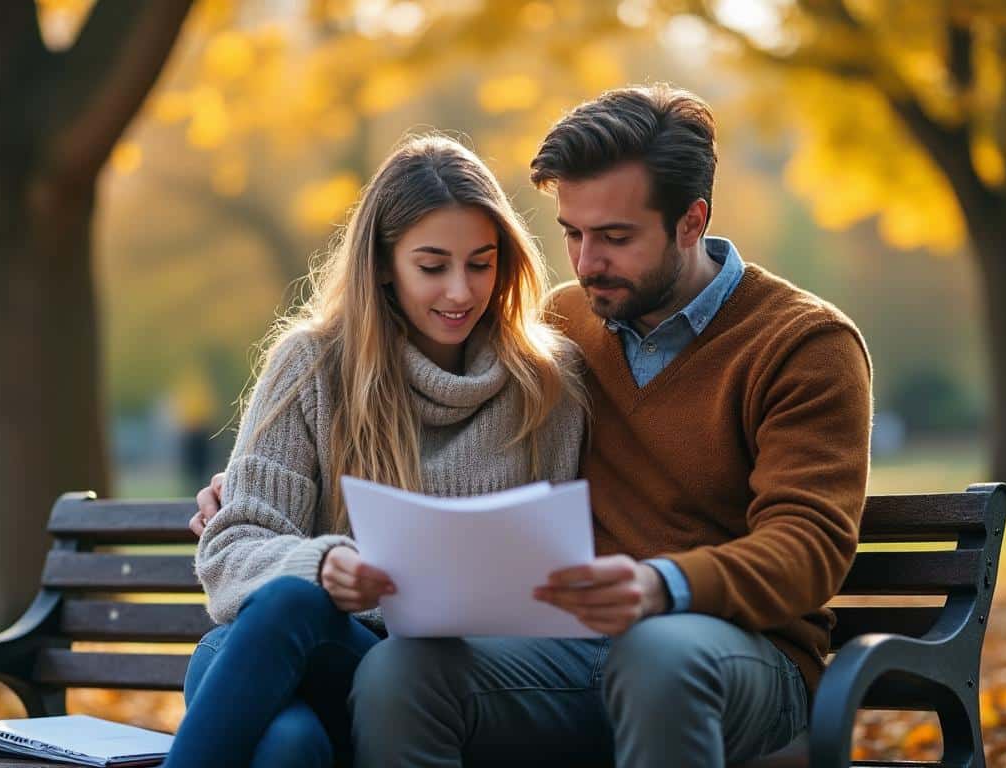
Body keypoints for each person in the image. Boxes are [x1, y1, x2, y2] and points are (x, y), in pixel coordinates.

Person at [347, 85, 873, 767]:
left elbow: (810, 546)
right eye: (572, 232)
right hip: (574, 653)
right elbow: (426, 409)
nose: (586, 261)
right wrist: (260, 489)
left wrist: (663, 585)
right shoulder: (563, 323)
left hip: (743, 658)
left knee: (658, 654)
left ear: (691, 221)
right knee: (401, 674)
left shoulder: (803, 345)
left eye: (616, 238)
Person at [171, 134, 587, 768]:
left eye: (481, 262)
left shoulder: (549, 386)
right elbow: (231, 552)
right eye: (432, 265)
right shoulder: (312, 366)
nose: (459, 291)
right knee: (291, 703)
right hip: (272, 650)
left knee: (290, 737)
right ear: (384, 263)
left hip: (438, 685)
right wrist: (325, 567)